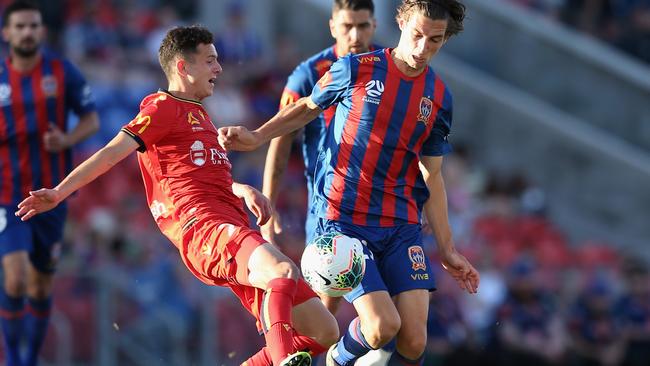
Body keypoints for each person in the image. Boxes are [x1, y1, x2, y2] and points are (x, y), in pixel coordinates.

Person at [15, 25, 339, 366]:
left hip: (230, 222)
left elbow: (204, 176)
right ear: (184, 67)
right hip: (204, 227)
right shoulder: (161, 107)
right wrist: (60, 191)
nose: (219, 69)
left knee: (324, 330)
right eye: (210, 60)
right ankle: (282, 357)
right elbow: (112, 152)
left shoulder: (200, 116)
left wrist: (243, 189)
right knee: (282, 271)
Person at [217, 1, 480, 365]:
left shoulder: (438, 97)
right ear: (401, 22)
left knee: (415, 341)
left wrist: (448, 248)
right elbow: (308, 107)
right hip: (343, 219)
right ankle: (328, 360)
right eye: (417, 35)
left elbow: (431, 174)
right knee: (380, 326)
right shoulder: (356, 69)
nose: (423, 49)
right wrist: (257, 137)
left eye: (434, 41)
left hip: (400, 225)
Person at [262, 0, 377, 316]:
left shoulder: (388, 67)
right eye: (347, 26)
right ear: (332, 27)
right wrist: (268, 208)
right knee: (328, 308)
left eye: (363, 25)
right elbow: (281, 142)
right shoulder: (309, 74)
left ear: (375, 26)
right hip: (331, 205)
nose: (355, 35)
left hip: (382, 206)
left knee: (401, 321)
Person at [0, 2, 100, 365]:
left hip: (51, 196)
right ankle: (14, 360)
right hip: (7, 195)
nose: (28, 32)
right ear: (7, 33)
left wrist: (68, 140)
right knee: (14, 278)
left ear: (41, 31)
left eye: (33, 26)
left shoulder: (62, 72)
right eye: (20, 26)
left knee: (40, 285)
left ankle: (30, 357)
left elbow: (91, 120)